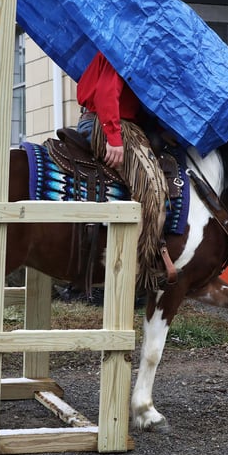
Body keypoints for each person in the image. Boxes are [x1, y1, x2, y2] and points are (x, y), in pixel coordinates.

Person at [76, 50, 169, 291]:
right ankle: (131, 273)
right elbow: (107, 92)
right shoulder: (125, 46)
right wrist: (114, 137)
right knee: (154, 188)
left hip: (120, 121)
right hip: (108, 122)